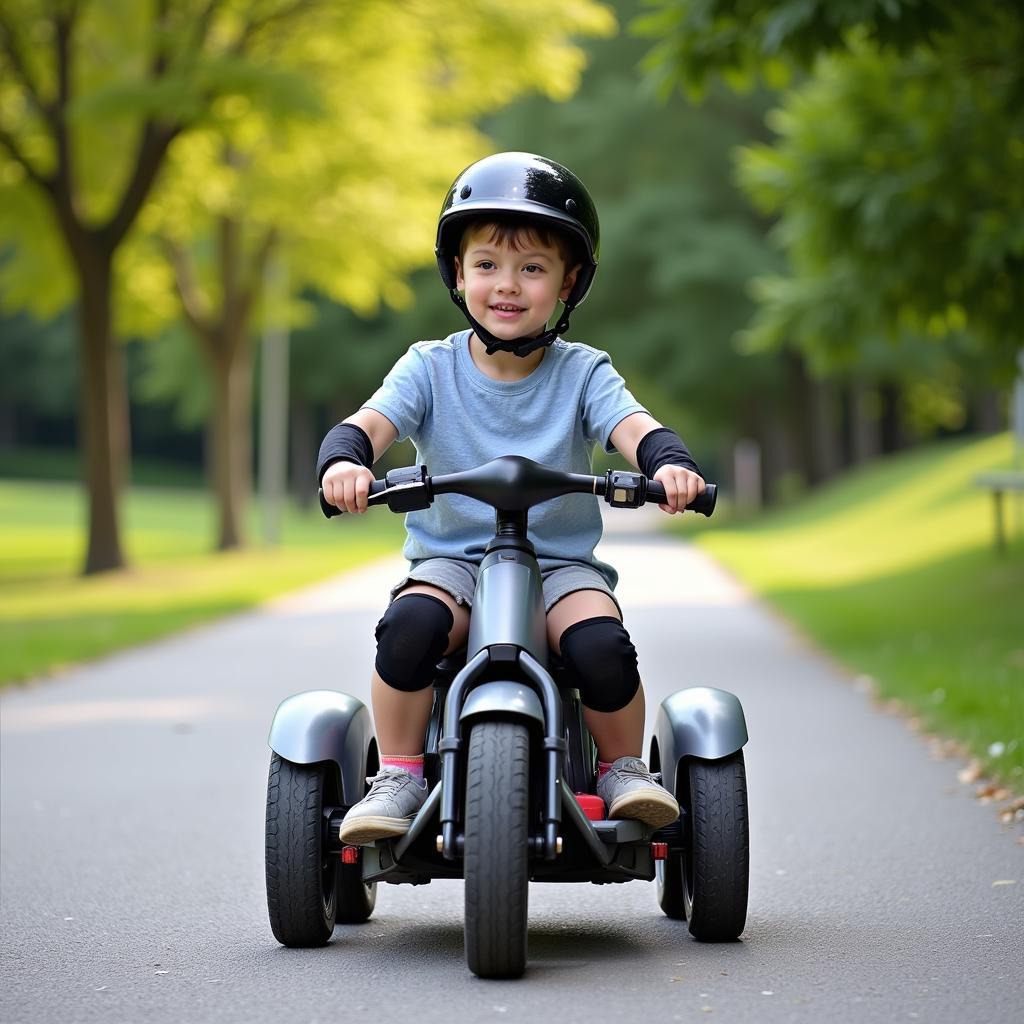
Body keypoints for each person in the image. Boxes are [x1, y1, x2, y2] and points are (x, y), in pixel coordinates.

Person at [318, 152, 706, 846]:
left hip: (557, 569)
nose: (508, 284)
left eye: (533, 268)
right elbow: (370, 425)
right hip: (451, 564)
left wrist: (667, 462)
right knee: (407, 631)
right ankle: (401, 773)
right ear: (458, 273)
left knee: (601, 647)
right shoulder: (428, 368)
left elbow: (632, 426)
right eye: (488, 264)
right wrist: (347, 460)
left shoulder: (583, 373)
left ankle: (621, 769)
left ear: (568, 284)